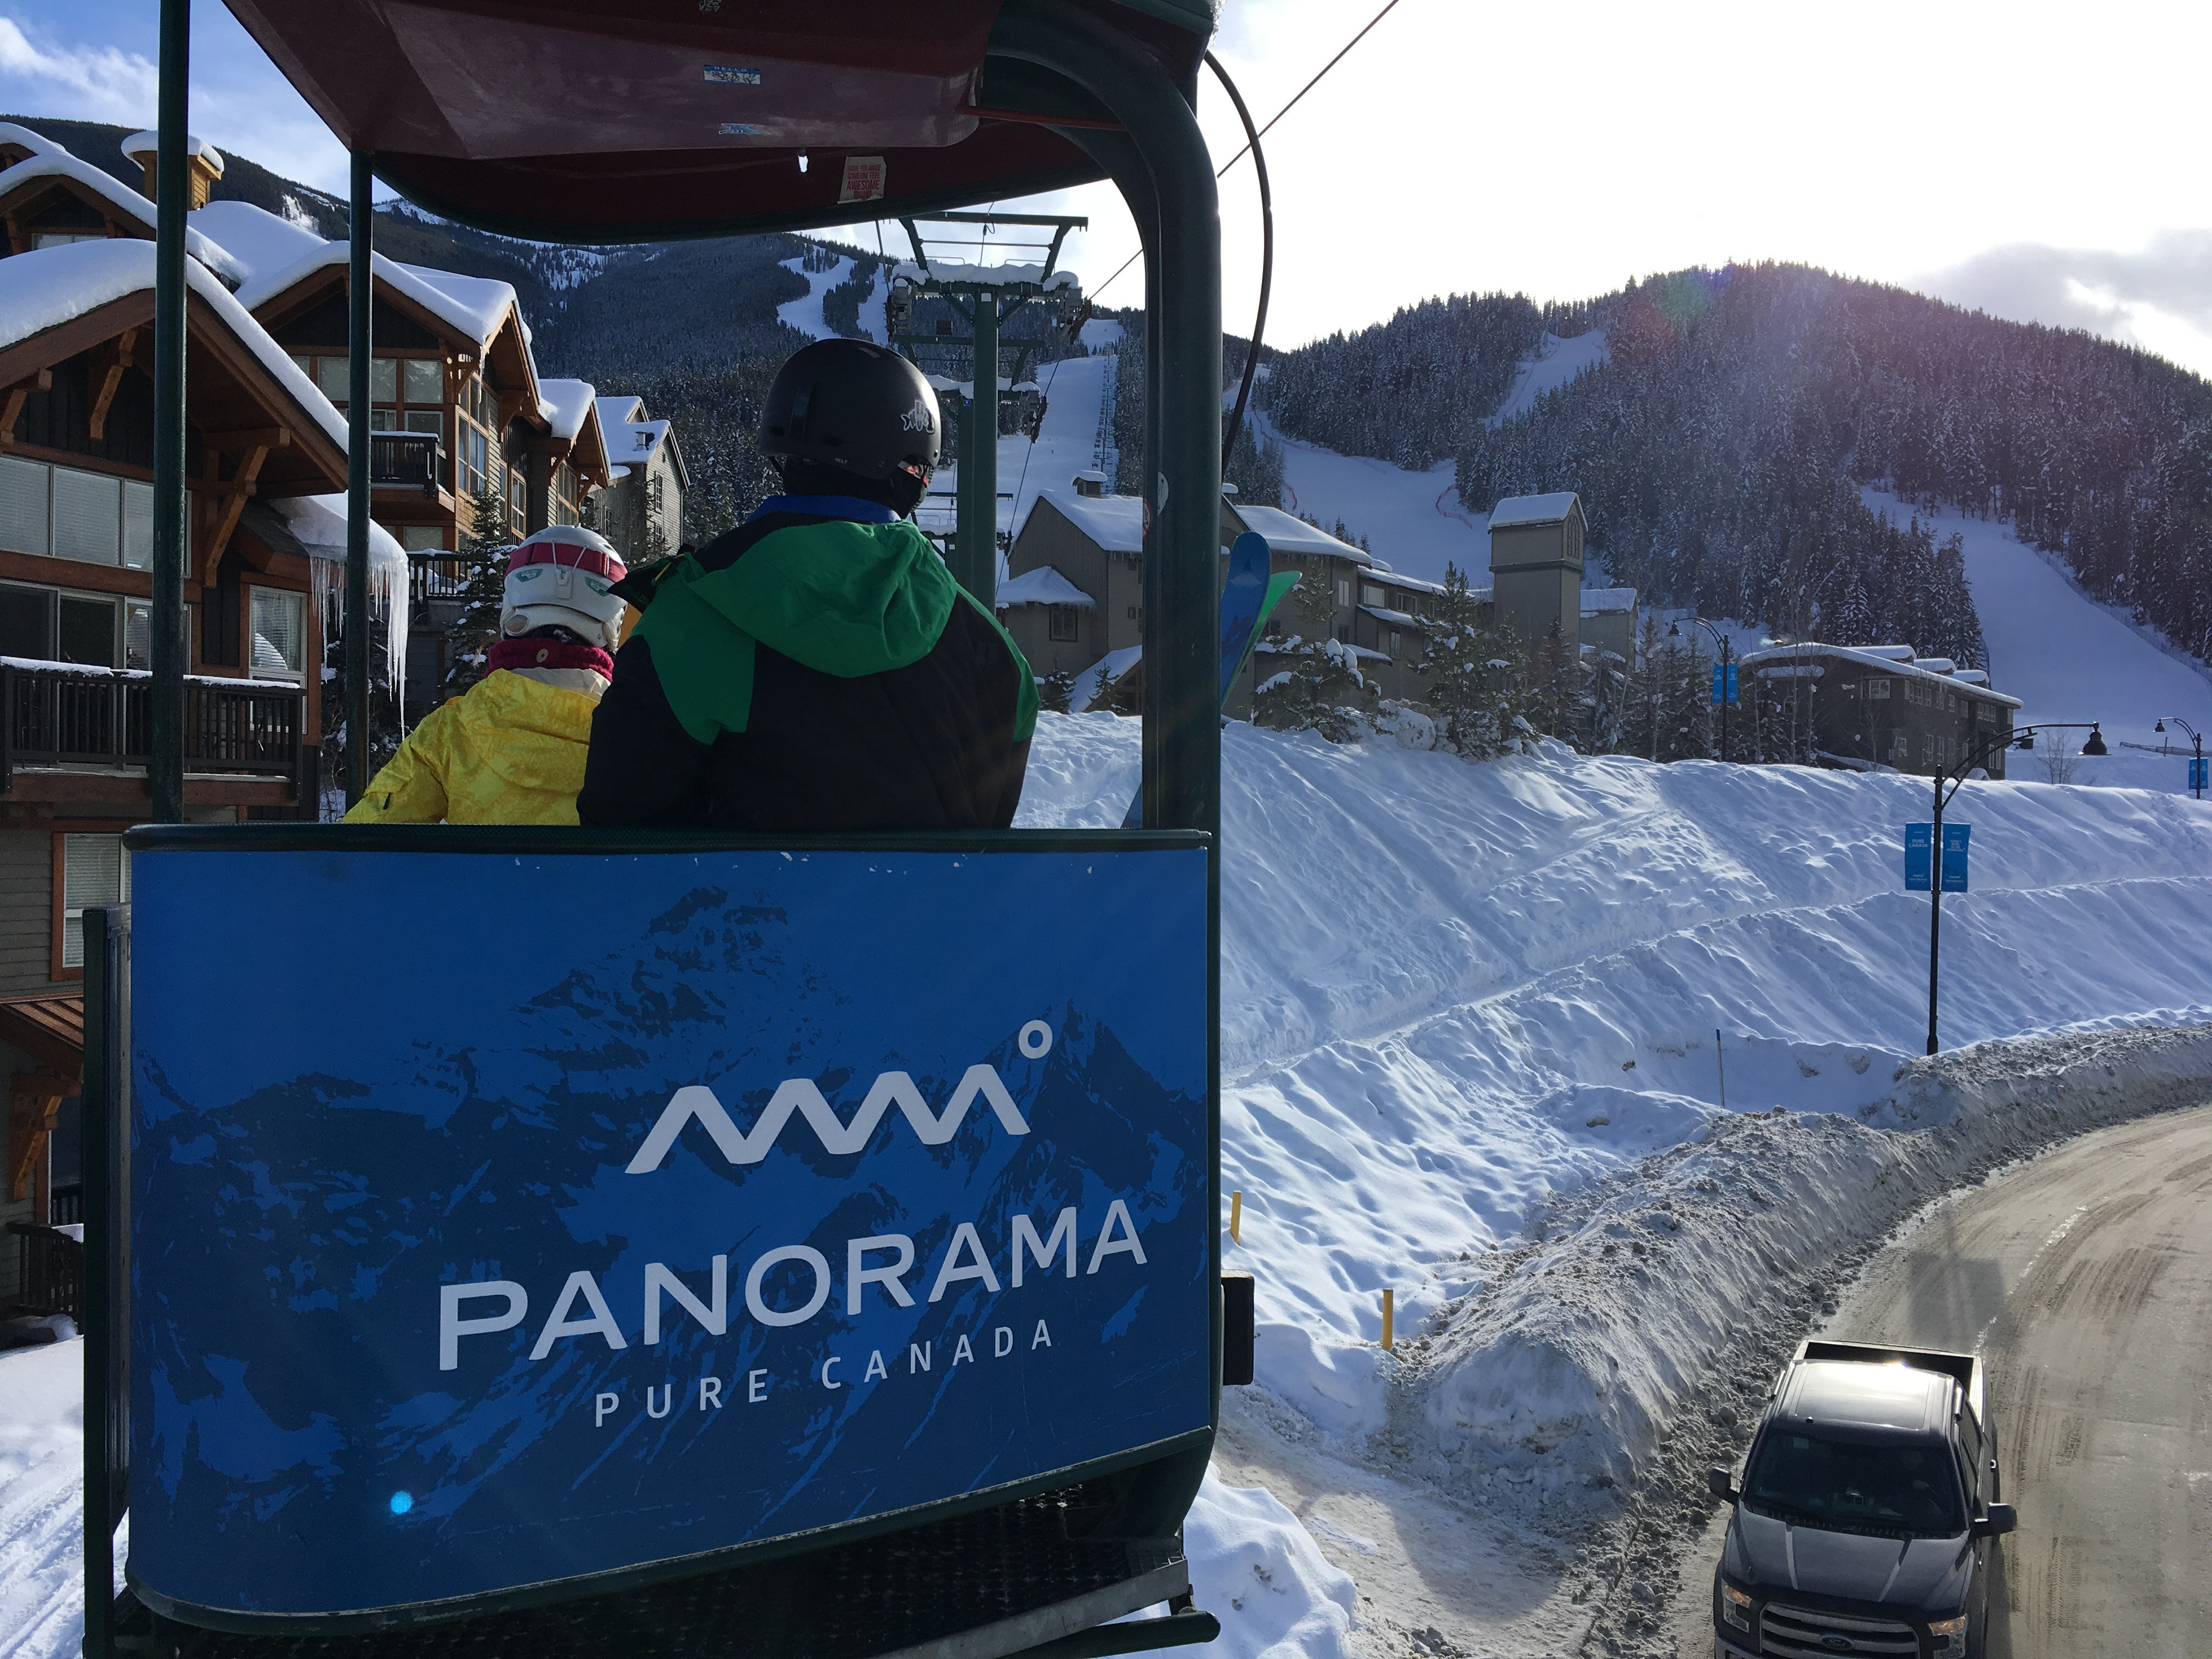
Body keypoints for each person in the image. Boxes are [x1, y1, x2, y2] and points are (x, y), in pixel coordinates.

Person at [578, 337, 1035, 830]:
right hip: (937, 885)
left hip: (738, 884)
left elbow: (619, 826)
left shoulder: (690, 615)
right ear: (911, 473)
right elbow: (989, 830)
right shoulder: (995, 655)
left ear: (786, 455)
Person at [346, 526, 628, 825]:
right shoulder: (636, 734)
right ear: (612, 622)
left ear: (511, 606)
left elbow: (368, 839)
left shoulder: (451, 730)